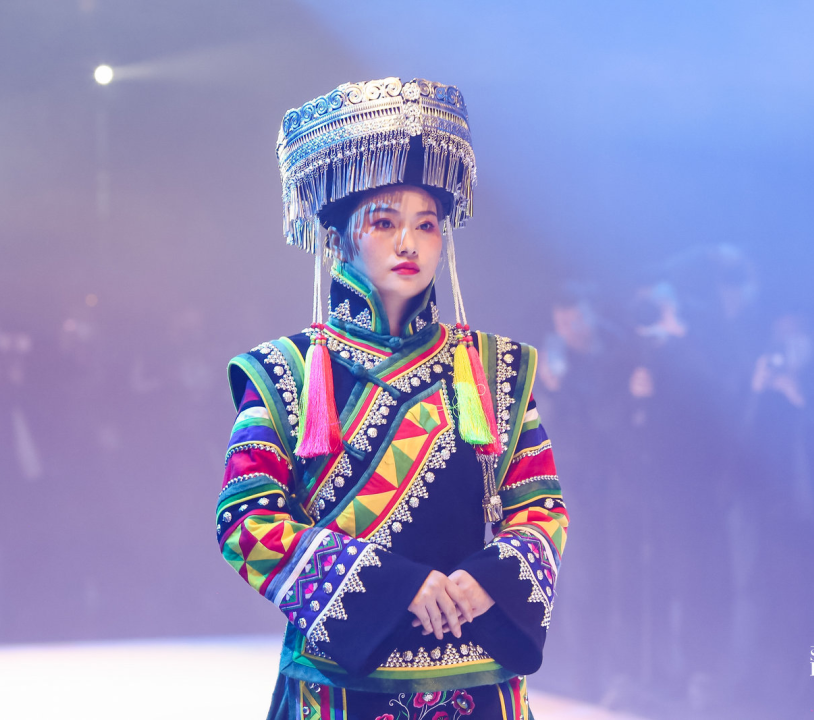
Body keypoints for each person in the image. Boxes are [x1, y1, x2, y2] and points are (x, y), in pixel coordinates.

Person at [218, 77, 568, 720]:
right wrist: (396, 586)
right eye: (384, 222)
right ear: (340, 236)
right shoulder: (284, 372)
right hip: (342, 685)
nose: (409, 242)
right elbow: (246, 520)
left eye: (426, 225)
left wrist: (487, 579)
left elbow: (541, 507)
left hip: (479, 680)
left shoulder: (495, 368)